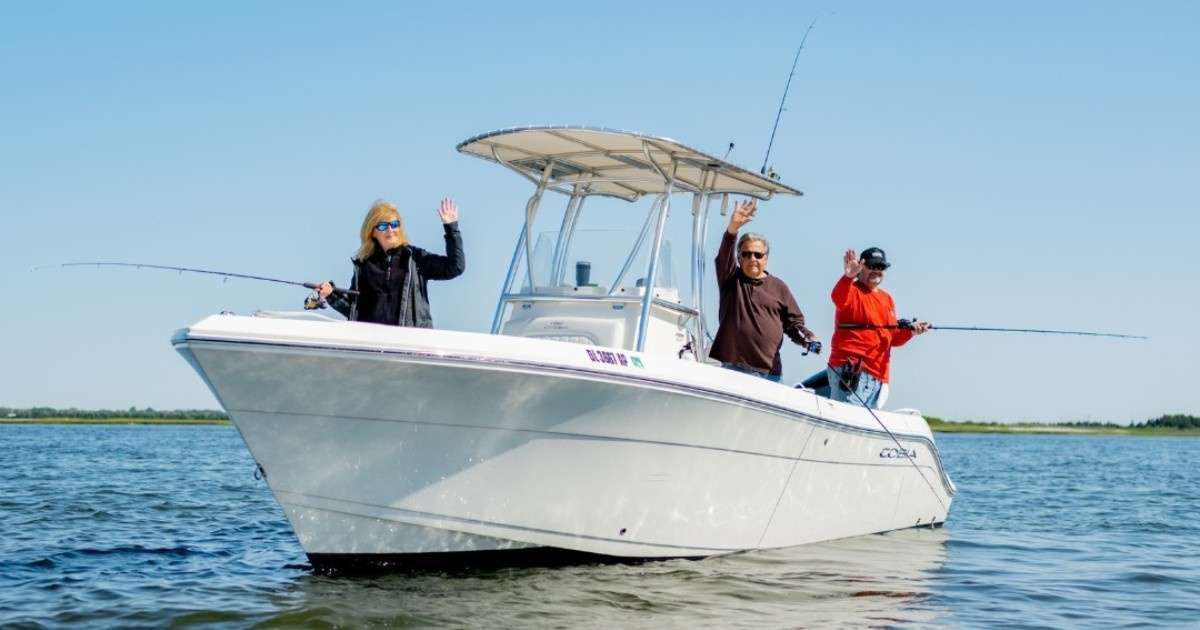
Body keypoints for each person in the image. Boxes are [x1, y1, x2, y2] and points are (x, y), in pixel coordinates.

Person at [709, 199, 821, 382]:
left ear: (766, 259)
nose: (752, 258)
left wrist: (807, 339)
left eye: (758, 255)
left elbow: (794, 325)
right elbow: (723, 258)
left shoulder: (779, 287)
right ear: (738, 258)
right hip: (734, 368)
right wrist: (733, 229)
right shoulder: (731, 279)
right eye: (746, 254)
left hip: (771, 373)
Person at [313, 198, 465, 326]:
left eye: (394, 224)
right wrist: (331, 295)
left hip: (411, 346)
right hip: (373, 348)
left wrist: (451, 229)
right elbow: (355, 309)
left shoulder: (415, 258)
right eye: (383, 226)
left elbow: (455, 267)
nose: (390, 230)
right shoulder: (364, 265)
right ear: (372, 231)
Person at [827, 247, 929, 408]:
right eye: (871, 266)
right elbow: (838, 299)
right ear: (861, 267)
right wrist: (848, 277)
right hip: (852, 373)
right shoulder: (851, 289)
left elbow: (892, 338)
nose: (876, 271)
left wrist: (911, 331)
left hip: (878, 378)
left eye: (880, 267)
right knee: (848, 423)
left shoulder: (887, 298)